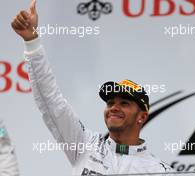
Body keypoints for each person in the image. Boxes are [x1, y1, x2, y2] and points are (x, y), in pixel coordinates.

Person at [11, 0, 172, 175]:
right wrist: (31, 41)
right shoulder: (84, 145)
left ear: (142, 117)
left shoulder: (158, 171)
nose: (113, 108)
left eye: (124, 103)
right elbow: (50, 100)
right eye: (110, 103)